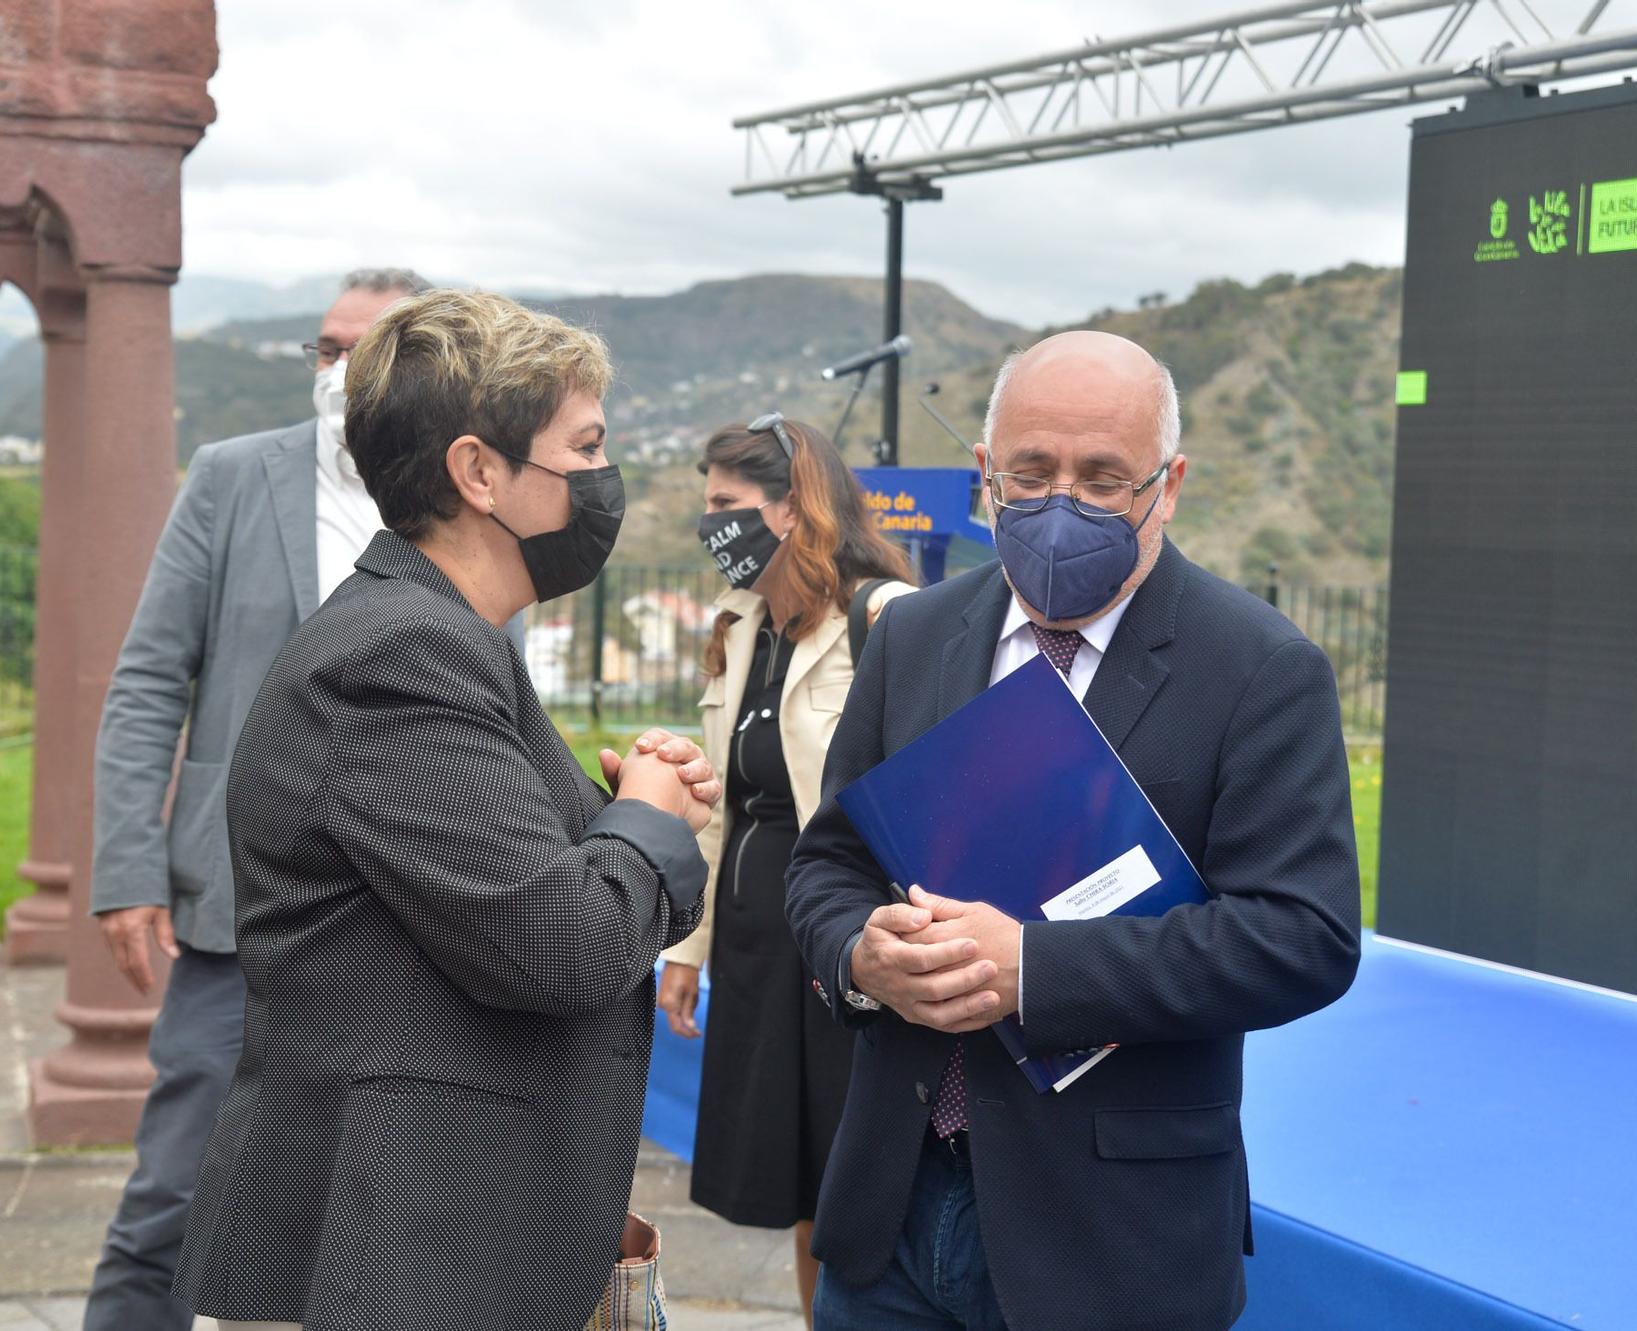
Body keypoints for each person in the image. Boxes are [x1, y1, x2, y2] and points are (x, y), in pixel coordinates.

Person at [786, 330, 1363, 1331]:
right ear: (984, 473)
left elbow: (1300, 937)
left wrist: (1035, 970)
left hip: (1110, 1245)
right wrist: (858, 954)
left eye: (1103, 478)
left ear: (1167, 483)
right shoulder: (914, 635)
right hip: (889, 1214)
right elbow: (828, 861)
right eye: (1031, 471)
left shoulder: (1259, 668)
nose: (1063, 502)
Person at [172, 289, 715, 1331]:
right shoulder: (402, 651)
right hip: (388, 1254)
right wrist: (642, 820)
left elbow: (503, 904)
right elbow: (560, 945)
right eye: (585, 446)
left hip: (442, 1232)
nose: (604, 478)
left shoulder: (447, 638)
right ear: (477, 471)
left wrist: (634, 825)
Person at [82, 266, 430, 1331]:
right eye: (324, 349)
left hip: (404, 915)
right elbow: (148, 678)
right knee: (174, 1198)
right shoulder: (235, 476)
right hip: (237, 910)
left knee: (374, 1217)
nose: (335, 371)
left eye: (359, 352)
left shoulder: (457, 496)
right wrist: (129, 868)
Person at [657, 414, 916, 1324]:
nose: (711, 523)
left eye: (726, 505)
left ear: (789, 506)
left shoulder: (878, 615)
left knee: (849, 1166)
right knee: (796, 1175)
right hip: (759, 944)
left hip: (841, 934)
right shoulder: (744, 623)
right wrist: (688, 947)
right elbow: (723, 803)